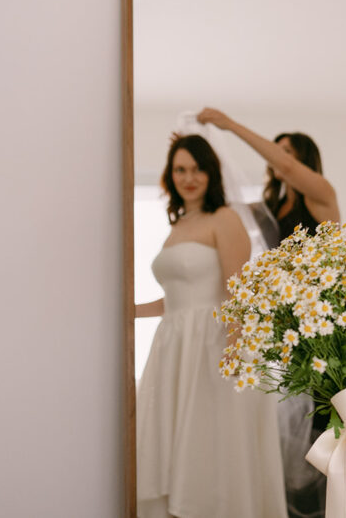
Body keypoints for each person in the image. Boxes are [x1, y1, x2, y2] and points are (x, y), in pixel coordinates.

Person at [135, 134, 287, 518]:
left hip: (214, 345)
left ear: (211, 173)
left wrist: (233, 353)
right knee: (173, 444)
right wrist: (128, 312)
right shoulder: (179, 225)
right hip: (173, 344)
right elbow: (177, 300)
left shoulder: (225, 218)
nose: (189, 177)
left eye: (198, 168)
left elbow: (236, 291)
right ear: (170, 175)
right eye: (181, 169)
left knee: (213, 448)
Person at [197, 108, 339, 244]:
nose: (274, 160)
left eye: (285, 151)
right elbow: (229, 207)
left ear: (303, 158)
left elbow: (287, 166)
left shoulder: (322, 194)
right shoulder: (273, 207)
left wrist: (230, 125)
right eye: (275, 152)